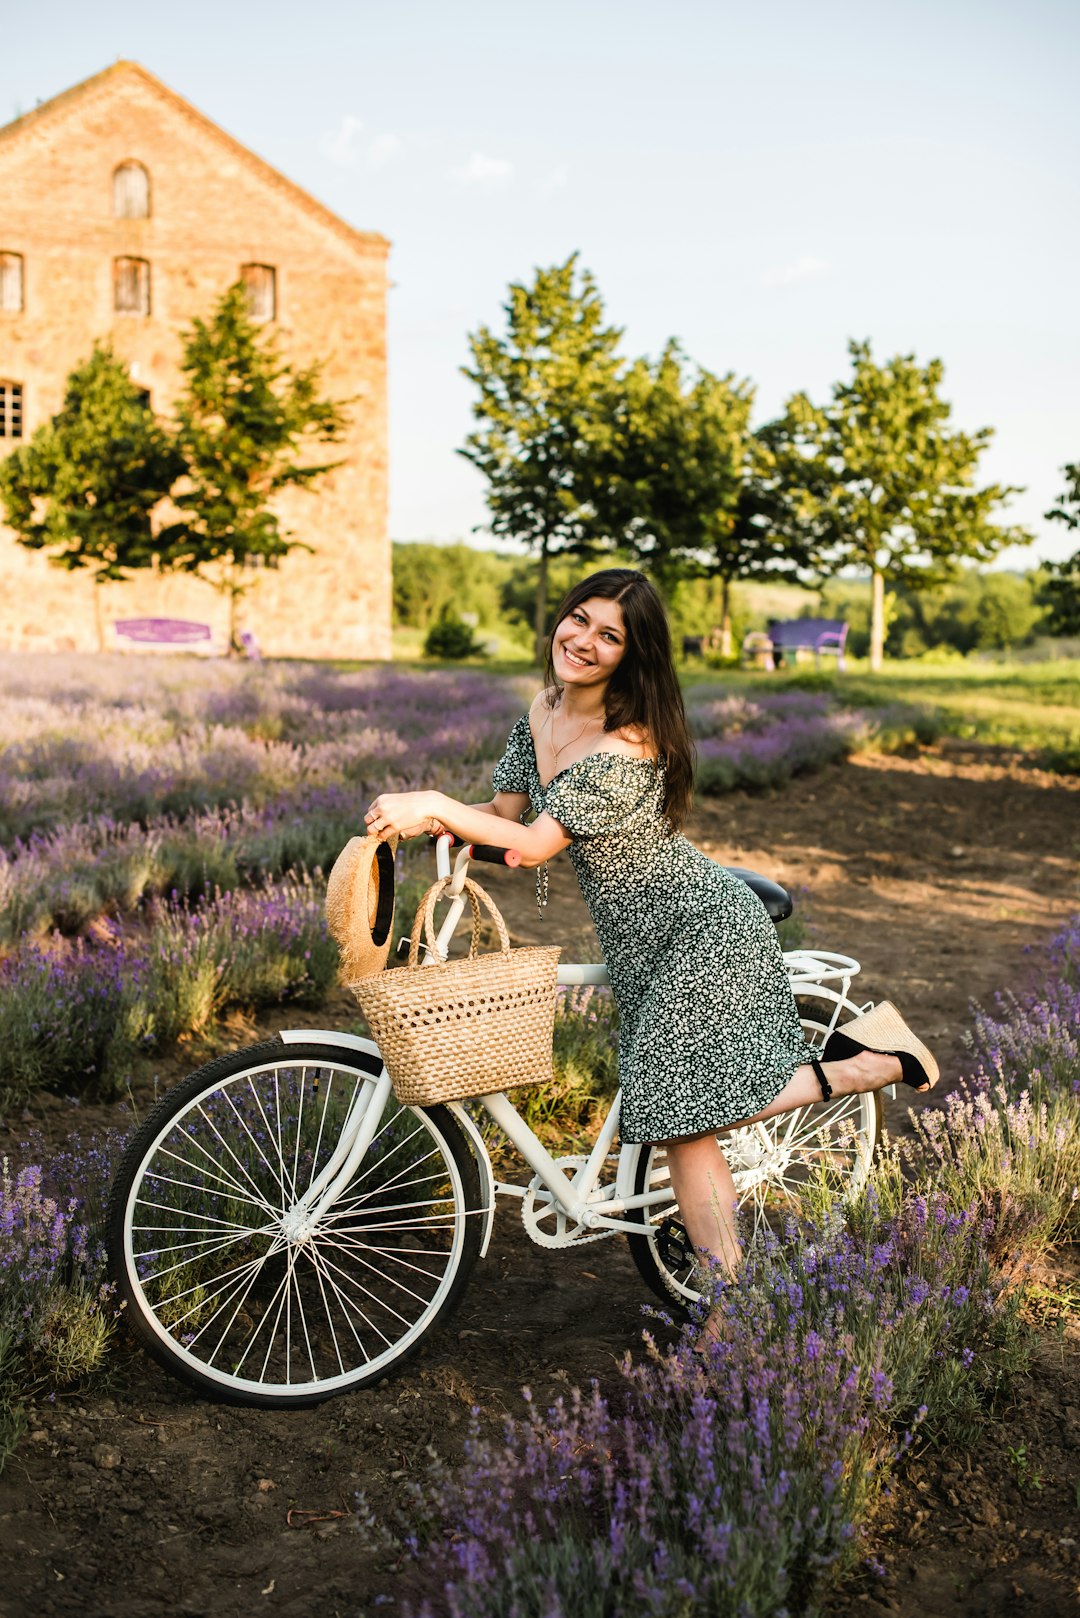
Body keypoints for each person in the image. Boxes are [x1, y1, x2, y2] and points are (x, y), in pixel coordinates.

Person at [364, 568, 938, 1336]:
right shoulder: (542, 710)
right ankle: (735, 1308)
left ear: (633, 656)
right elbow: (501, 816)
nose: (585, 641)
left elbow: (532, 845)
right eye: (580, 619)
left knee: (676, 1112)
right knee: (679, 1114)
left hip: (700, 928)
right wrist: (435, 820)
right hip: (640, 941)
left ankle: (861, 1071)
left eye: (611, 636)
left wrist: (437, 805)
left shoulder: (631, 742)